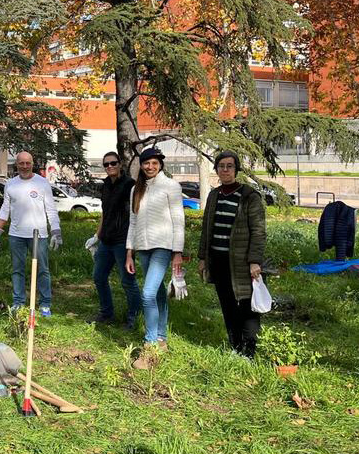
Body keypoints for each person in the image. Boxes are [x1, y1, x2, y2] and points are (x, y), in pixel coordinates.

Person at [197, 150, 266, 358]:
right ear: (217, 169)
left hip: (242, 263)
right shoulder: (214, 195)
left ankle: (250, 350)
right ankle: (235, 346)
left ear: (236, 169)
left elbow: (259, 231)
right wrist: (203, 258)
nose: (225, 170)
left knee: (247, 306)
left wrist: (254, 261)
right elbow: (206, 228)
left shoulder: (249, 196)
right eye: (221, 166)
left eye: (229, 166)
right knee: (227, 304)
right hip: (218, 261)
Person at [125, 148, 184, 369]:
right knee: (158, 292)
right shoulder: (135, 189)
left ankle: (149, 347)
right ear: (140, 165)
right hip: (142, 247)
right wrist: (129, 251)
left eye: (154, 163)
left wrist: (177, 252)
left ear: (160, 164)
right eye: (146, 163)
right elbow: (132, 221)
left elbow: (178, 220)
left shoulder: (171, 186)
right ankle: (161, 338)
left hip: (163, 246)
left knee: (148, 293)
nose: (150, 167)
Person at [0, 151, 62, 316]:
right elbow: (5, 208)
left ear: (32, 163)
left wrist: (56, 232)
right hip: (16, 235)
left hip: (39, 235)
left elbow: (51, 210)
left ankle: (45, 304)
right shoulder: (11, 184)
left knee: (43, 270)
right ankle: (18, 302)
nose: (24, 166)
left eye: (27, 163)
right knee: (17, 270)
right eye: (21, 163)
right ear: (16, 164)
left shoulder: (42, 183)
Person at [84, 151, 141, 328]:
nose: (110, 167)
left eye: (113, 163)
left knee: (127, 281)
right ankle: (106, 313)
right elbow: (105, 213)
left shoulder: (130, 185)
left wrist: (131, 245)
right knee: (99, 276)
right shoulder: (106, 185)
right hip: (106, 241)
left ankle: (134, 317)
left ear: (120, 164)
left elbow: (135, 214)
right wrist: (97, 235)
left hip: (123, 241)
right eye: (106, 164)